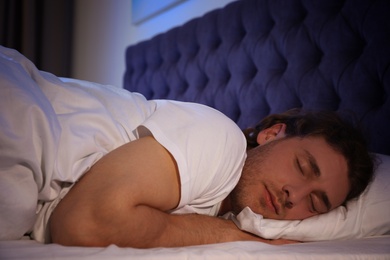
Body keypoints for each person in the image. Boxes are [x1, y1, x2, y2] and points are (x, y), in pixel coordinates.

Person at [0, 46, 374, 248]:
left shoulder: (212, 198)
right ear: (271, 134)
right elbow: (85, 222)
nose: (295, 196)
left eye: (316, 203)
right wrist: (232, 236)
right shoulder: (221, 140)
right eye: (303, 167)